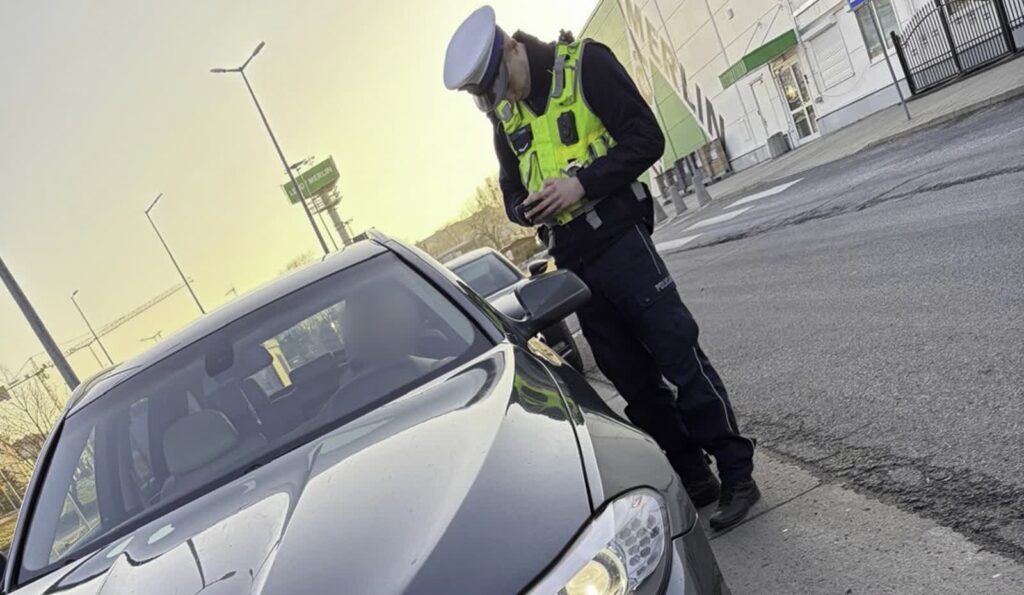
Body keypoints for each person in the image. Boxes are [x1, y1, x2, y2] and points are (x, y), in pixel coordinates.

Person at [443, 6, 759, 529]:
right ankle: (694, 477)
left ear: (514, 48)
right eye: (495, 98)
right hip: (574, 263)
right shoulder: (507, 116)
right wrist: (527, 209)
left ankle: (737, 474)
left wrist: (581, 184)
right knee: (633, 381)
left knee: (679, 357)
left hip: (621, 241)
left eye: (506, 85)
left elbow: (646, 137)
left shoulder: (585, 64)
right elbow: (509, 195)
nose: (509, 99)